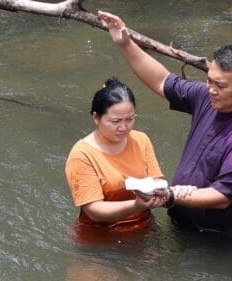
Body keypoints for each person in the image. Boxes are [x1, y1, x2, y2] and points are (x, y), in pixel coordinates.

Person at [97, 11, 232, 239]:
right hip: (185, 222)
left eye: (220, 85)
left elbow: (222, 196)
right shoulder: (208, 98)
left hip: (224, 238)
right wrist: (125, 43)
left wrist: (170, 195)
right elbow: (162, 81)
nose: (211, 89)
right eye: (209, 80)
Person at [65, 77, 186, 246]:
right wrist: (136, 205)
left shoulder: (141, 140)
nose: (123, 127)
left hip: (145, 230)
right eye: (115, 121)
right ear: (96, 117)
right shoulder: (82, 154)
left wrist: (164, 193)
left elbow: (156, 180)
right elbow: (94, 211)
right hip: (99, 239)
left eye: (130, 119)